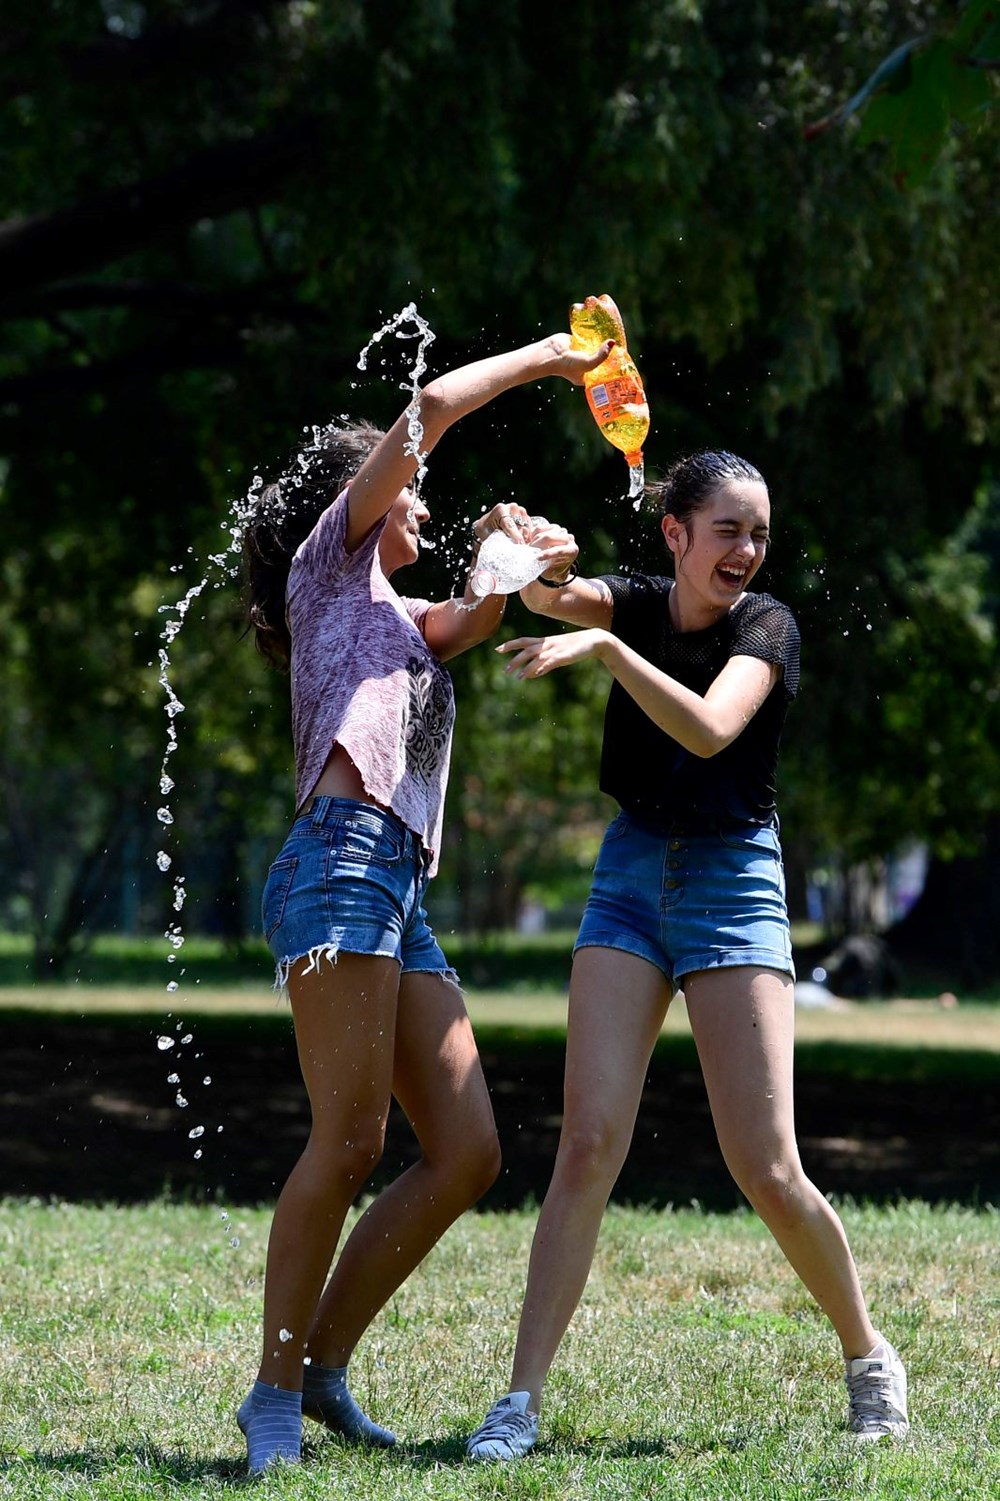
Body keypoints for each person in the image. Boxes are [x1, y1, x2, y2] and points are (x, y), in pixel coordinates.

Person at [466, 449, 909, 1459]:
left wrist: (608, 653)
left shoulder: (768, 626)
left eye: (757, 533)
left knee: (765, 1165)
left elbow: (711, 730)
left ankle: (867, 1354)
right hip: (628, 875)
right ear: (676, 534)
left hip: (732, 884)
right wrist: (521, 550)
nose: (746, 551)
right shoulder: (633, 597)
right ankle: (519, 1401)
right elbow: (546, 593)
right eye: (727, 531)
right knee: (586, 1144)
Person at [238, 327, 613, 1475]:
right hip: (340, 861)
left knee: (465, 1150)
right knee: (348, 1142)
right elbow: (437, 401)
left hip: (398, 880)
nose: (424, 504)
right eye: (415, 489)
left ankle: (318, 1373)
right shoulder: (328, 565)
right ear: (370, 490)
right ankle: (267, 1394)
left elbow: (474, 616)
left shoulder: (395, 615)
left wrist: (510, 554)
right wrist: (559, 354)